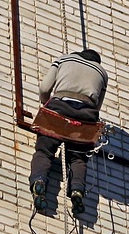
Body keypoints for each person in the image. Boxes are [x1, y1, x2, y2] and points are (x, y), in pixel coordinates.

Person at [29, 49, 108, 215]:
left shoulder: (63, 60)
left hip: (59, 110)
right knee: (78, 158)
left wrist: (46, 104)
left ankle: (39, 181)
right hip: (86, 117)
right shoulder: (102, 73)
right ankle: (77, 191)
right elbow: (97, 106)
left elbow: (44, 88)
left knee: (44, 151)